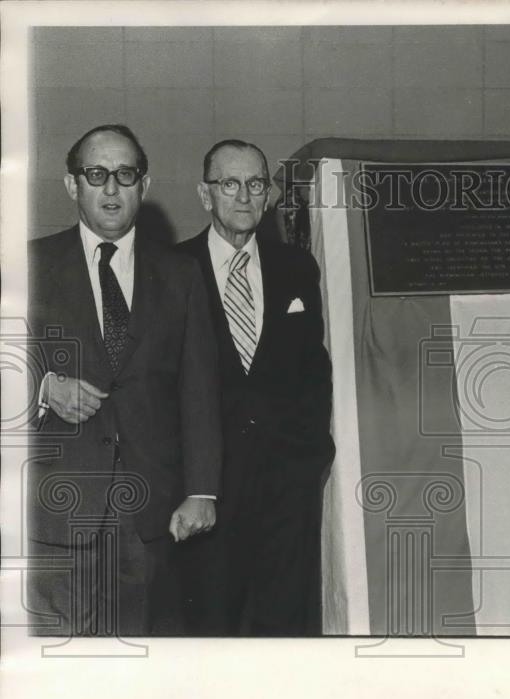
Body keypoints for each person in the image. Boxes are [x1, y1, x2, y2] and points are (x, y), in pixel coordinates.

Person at [27, 123, 221, 636]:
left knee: (140, 666)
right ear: (73, 185)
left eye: (125, 174)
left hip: (151, 516)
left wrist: (202, 489)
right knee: (59, 666)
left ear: (144, 185)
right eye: (97, 174)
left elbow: (198, 390)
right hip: (56, 508)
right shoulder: (28, 265)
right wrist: (44, 388)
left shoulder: (180, 275)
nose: (111, 188)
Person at [175, 139, 334, 636]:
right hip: (208, 493)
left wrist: (310, 461)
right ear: (206, 195)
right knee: (210, 630)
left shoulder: (296, 268)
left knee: (286, 633)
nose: (244, 196)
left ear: (268, 196)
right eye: (229, 184)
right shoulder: (170, 269)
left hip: (287, 492)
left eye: (256, 184)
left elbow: (315, 370)